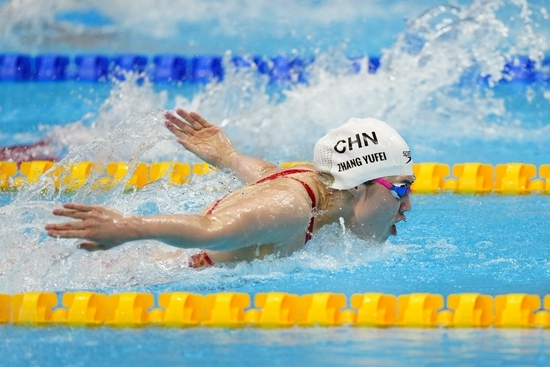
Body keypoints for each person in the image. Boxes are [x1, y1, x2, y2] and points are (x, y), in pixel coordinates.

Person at [45, 109, 415, 268]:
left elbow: (267, 172)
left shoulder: (313, 183)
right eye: (400, 189)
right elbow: (211, 231)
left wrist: (229, 156)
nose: (408, 205)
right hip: (132, 273)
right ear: (355, 185)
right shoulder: (292, 209)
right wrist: (129, 228)